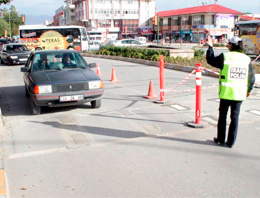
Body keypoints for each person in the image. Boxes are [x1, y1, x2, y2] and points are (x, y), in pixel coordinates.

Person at [206, 35, 255, 148]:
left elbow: (211, 60)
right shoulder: (246, 59)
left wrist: (210, 47)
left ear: (232, 45)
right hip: (239, 94)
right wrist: (248, 90)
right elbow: (251, 78)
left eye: (228, 44)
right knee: (235, 118)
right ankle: (231, 142)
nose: (227, 46)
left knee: (223, 116)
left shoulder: (226, 57)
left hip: (226, 92)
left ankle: (220, 139)